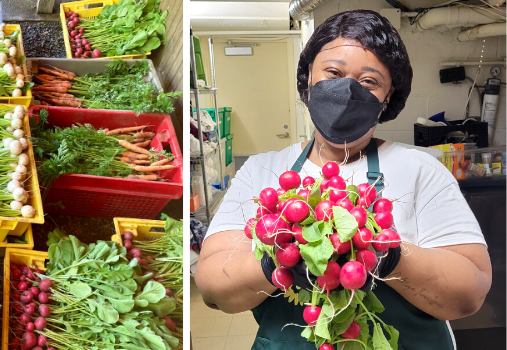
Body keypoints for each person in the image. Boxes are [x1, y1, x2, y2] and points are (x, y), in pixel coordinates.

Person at [194, 9, 492, 350]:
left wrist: (390, 257)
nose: (347, 91)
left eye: (369, 82)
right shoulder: (263, 172)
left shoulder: (421, 169)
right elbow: (214, 288)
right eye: (333, 72)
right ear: (308, 78)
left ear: (388, 97)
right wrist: (278, 258)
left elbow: (469, 296)